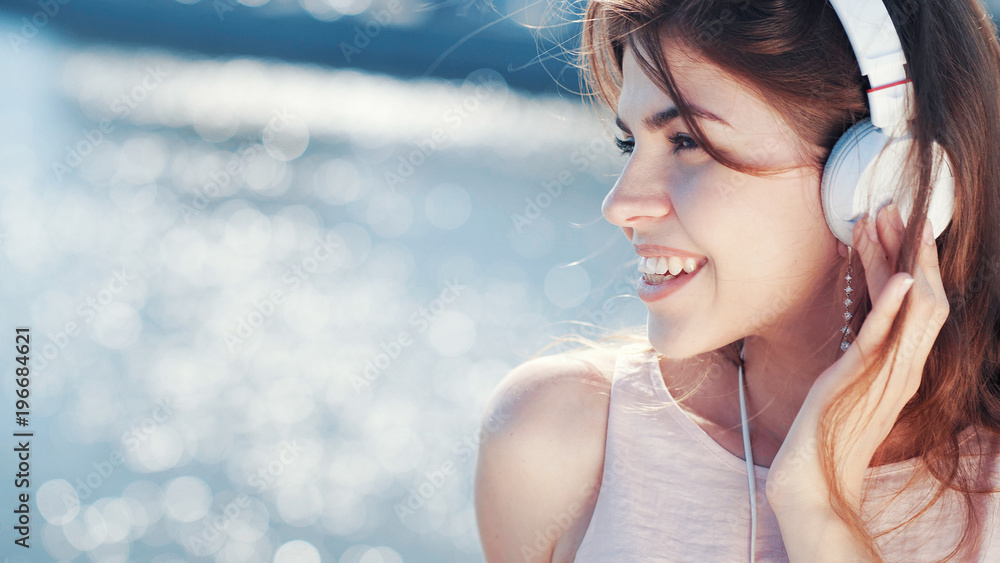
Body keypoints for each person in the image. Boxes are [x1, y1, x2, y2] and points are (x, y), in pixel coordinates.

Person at [474, 0, 1000, 561]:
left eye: (687, 141)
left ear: (880, 178)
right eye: (630, 144)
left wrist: (816, 506)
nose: (619, 204)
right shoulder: (557, 440)